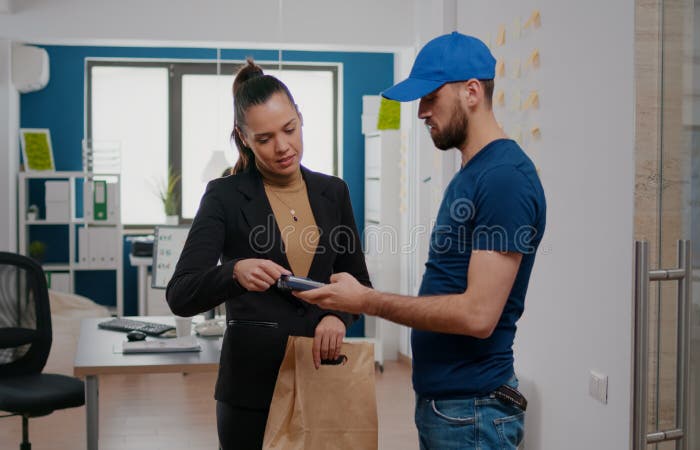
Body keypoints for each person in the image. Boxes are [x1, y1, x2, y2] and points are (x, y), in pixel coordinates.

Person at [296, 31, 546, 449]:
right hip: (452, 406)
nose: (420, 112)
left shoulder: (504, 179)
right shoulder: (474, 173)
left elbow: (478, 316)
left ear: (471, 92)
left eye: (430, 97)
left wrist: (367, 301)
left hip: (472, 411)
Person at [166, 58, 370, 450]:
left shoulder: (334, 192)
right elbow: (181, 293)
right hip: (250, 389)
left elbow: (356, 282)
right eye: (264, 139)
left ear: (300, 118)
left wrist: (337, 316)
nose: (282, 147)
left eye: (289, 129)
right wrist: (235, 272)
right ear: (243, 138)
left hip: (321, 375)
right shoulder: (223, 195)